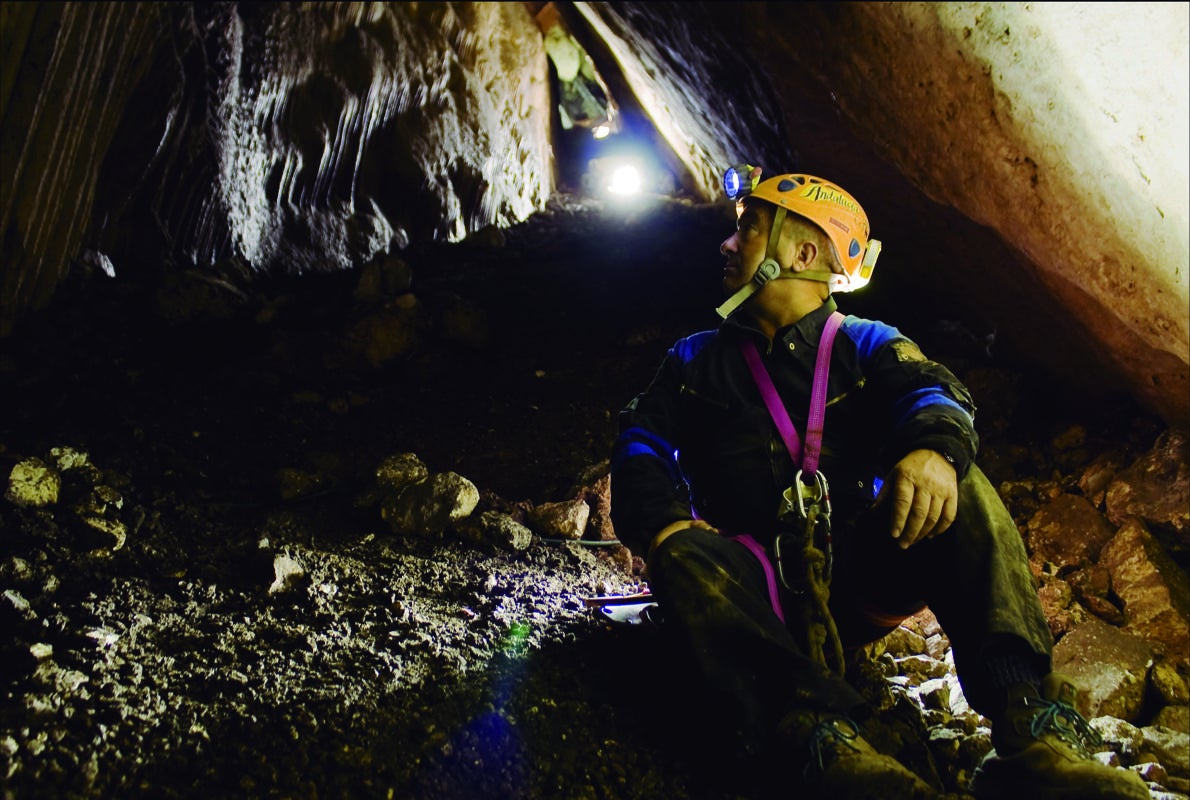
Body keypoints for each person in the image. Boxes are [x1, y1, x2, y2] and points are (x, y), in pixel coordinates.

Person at [608, 166, 1151, 800]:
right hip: (750, 593)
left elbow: (936, 393)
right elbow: (639, 441)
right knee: (683, 553)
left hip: (853, 579)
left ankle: (1032, 729)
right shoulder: (695, 361)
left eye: (749, 230)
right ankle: (815, 737)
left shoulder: (865, 345)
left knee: (964, 486)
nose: (727, 245)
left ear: (802, 253)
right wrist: (665, 522)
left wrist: (932, 451)